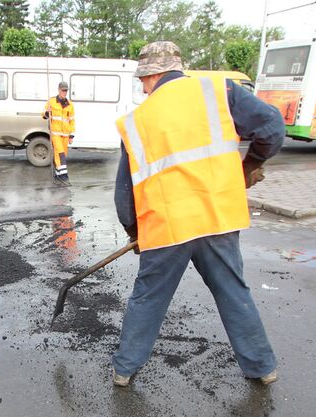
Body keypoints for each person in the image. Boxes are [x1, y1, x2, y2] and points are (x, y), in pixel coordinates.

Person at [111, 41, 285, 388]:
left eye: (142, 80)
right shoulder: (219, 91)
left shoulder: (137, 120)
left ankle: (124, 369)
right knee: (233, 291)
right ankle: (261, 367)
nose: (142, 88)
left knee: (149, 296)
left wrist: (134, 231)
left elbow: (125, 190)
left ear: (153, 74)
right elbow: (271, 128)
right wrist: (249, 164)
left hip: (166, 225)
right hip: (216, 215)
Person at [42, 81, 75, 185]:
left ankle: (57, 175)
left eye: (66, 90)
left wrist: (71, 135)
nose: (64, 92)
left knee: (62, 156)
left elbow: (72, 120)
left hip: (65, 135)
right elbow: (43, 114)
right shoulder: (52, 101)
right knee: (60, 154)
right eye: (63, 90)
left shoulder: (70, 105)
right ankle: (64, 177)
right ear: (59, 90)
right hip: (55, 134)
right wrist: (47, 113)